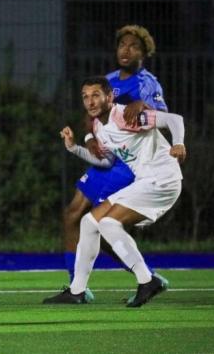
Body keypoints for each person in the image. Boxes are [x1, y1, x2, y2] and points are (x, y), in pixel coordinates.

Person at [44, 76, 186, 307]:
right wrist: (74, 148)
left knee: (108, 223)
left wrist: (178, 143)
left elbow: (174, 119)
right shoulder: (99, 126)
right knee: (89, 222)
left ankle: (147, 280)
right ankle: (77, 291)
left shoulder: (125, 116)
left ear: (109, 97)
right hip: (146, 181)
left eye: (96, 95)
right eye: (85, 97)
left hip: (163, 180)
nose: (90, 102)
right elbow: (106, 161)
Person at [63, 25, 169, 288]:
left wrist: (142, 104)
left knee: (101, 226)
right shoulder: (108, 80)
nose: (126, 50)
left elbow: (160, 118)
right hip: (106, 160)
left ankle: (148, 277)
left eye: (134, 46)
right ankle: (75, 285)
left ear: (145, 53)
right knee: (71, 215)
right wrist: (88, 139)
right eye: (122, 45)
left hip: (127, 164)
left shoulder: (147, 83)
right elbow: (90, 115)